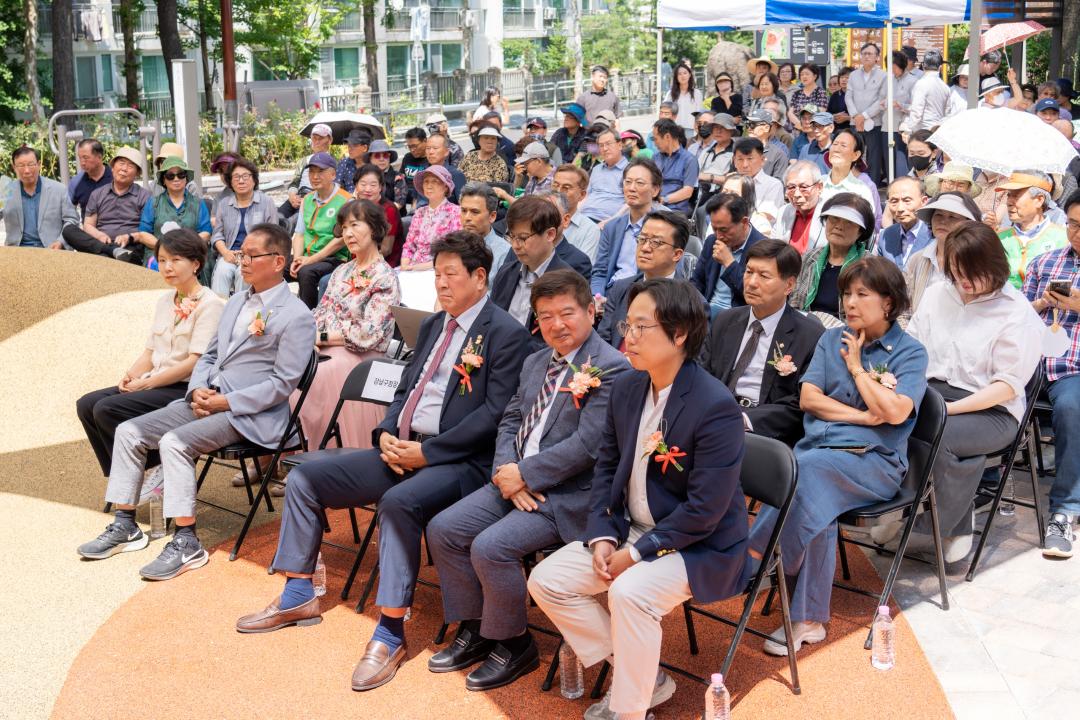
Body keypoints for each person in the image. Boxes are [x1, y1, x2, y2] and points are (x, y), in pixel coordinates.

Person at [235, 231, 532, 692]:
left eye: (451, 274)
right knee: (306, 477)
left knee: (398, 504)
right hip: (401, 450)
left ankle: (390, 632)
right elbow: (403, 389)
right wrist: (387, 433)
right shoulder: (432, 326)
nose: (441, 283)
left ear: (479, 277)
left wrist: (428, 452)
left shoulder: (506, 334)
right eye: (437, 274)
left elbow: (495, 415)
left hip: (460, 464)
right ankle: (298, 594)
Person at [529, 279, 748, 720]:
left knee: (629, 592)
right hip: (633, 526)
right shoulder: (628, 387)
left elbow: (705, 511)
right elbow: (606, 470)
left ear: (679, 334)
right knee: (546, 580)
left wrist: (634, 554)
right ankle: (648, 678)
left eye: (641, 327)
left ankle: (629, 709)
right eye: (626, 325)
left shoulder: (714, 405)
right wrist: (602, 537)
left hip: (698, 544)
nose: (627, 336)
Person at [425, 270, 629, 691]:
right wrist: (506, 470)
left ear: (590, 311)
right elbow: (512, 418)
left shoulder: (612, 368)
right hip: (513, 480)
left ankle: (515, 643)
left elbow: (588, 445)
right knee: (444, 529)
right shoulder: (536, 360)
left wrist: (525, 474)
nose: (557, 324)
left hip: (566, 494)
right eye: (546, 316)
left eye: (567, 313)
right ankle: (479, 627)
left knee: (491, 547)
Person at [76, 223, 315, 578]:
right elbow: (210, 356)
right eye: (241, 254)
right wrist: (197, 390)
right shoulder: (236, 301)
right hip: (206, 400)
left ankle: (187, 541)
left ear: (278, 261)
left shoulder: (297, 315)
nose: (242, 261)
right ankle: (126, 523)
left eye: (251, 255)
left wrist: (226, 402)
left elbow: (282, 385)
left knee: (174, 442)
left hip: (250, 414)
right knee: (127, 431)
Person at [748, 256, 928, 655]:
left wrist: (858, 368)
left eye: (862, 294)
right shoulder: (831, 339)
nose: (849, 302)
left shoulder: (910, 352)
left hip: (875, 462)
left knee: (803, 472)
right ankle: (808, 620)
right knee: (817, 500)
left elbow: (895, 412)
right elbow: (809, 399)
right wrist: (862, 415)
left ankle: (754, 556)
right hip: (819, 455)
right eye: (846, 293)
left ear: (888, 302)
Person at [885, 222, 1043, 563]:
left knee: (935, 432)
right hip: (932, 393)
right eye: (956, 272)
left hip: (992, 410)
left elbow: (1006, 386)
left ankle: (939, 523)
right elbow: (912, 346)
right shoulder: (938, 294)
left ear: (994, 266)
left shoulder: (1016, 312)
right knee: (887, 420)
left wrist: (947, 410)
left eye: (973, 273)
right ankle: (905, 508)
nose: (964, 281)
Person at [76, 229, 225, 483]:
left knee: (106, 409)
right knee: (87, 404)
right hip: (155, 380)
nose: (168, 267)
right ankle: (126, 474)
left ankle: (154, 467)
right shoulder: (165, 301)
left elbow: (195, 362)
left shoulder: (210, 304)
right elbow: (150, 351)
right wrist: (130, 376)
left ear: (196, 264)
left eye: (176, 260)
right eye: (163, 260)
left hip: (183, 388)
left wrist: (146, 384)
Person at [703, 239, 824, 445]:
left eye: (764, 276)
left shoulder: (810, 335)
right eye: (749, 272)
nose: (751, 282)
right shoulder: (725, 321)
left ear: (789, 285)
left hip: (762, 432)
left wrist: (744, 420)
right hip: (713, 416)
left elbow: (798, 403)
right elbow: (702, 373)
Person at [301, 199, 401, 450]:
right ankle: (290, 449)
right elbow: (321, 312)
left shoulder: (385, 276)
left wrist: (322, 338)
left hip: (362, 356)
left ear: (374, 229)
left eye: (355, 225)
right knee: (293, 363)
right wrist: (309, 335)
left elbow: (370, 333)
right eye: (344, 227)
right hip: (330, 348)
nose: (347, 233)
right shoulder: (341, 271)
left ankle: (320, 453)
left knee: (317, 373)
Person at [1023, 190, 1080, 557]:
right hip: (1033, 362)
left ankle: (1065, 509)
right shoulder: (1045, 262)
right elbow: (1016, 315)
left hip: (1073, 368)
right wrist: (1043, 302)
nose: (1077, 233)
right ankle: (984, 484)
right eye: (1072, 224)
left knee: (1072, 406)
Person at [598, 209, 693, 349]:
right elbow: (603, 342)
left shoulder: (691, 302)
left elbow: (692, 356)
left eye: (656, 242)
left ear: (677, 254)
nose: (645, 248)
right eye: (642, 239)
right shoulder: (620, 288)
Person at [491, 195, 575, 341]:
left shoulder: (568, 282)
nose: (515, 245)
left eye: (523, 238)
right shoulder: (506, 273)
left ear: (550, 234)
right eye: (512, 236)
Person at [791, 193, 875, 322]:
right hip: (806, 327)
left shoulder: (870, 266)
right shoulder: (809, 258)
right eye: (834, 218)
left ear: (861, 231)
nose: (839, 226)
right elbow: (795, 302)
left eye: (849, 222)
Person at [59, 146, 152, 263]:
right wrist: (100, 236)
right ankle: (111, 251)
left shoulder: (145, 196)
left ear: (137, 173)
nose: (124, 169)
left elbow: (146, 231)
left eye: (130, 166)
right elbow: (88, 225)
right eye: (121, 163)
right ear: (112, 167)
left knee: (129, 254)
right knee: (68, 230)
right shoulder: (98, 194)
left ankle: (109, 254)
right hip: (101, 242)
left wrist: (128, 237)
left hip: (130, 246)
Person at [286, 152, 353, 308]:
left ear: (333, 174)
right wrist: (297, 259)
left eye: (320, 171)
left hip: (334, 258)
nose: (315, 176)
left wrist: (310, 260)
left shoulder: (346, 201)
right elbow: (299, 234)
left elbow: (341, 240)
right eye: (311, 172)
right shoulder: (307, 199)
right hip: (307, 255)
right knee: (274, 264)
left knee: (306, 272)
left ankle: (310, 316)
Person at [902, 191, 983, 315]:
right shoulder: (917, 259)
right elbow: (903, 305)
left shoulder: (977, 262)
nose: (943, 221)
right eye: (938, 215)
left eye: (952, 217)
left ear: (968, 223)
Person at [592, 158, 662, 295]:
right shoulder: (612, 227)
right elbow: (600, 272)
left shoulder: (664, 228)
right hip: (611, 293)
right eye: (628, 182)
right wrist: (597, 296)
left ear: (655, 190)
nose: (631, 188)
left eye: (639, 183)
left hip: (644, 293)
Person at [210, 157, 280, 296]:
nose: (241, 181)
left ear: (254, 180)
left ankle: (243, 308)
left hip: (255, 255)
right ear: (230, 182)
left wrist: (251, 254)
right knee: (221, 273)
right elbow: (217, 235)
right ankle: (219, 308)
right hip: (230, 253)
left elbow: (273, 235)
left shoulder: (266, 202)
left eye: (245, 176)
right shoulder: (224, 204)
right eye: (236, 177)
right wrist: (225, 253)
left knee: (243, 275)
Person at [693, 192, 766, 316]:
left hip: (738, 316)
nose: (719, 236)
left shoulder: (763, 248)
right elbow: (696, 281)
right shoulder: (712, 241)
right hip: (705, 310)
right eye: (714, 229)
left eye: (724, 230)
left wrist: (729, 263)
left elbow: (755, 294)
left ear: (744, 222)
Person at [995, 170, 1068, 289]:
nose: (1009, 202)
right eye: (1009, 195)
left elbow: (1062, 289)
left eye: (1016, 195)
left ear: (1039, 200)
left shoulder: (1063, 239)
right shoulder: (999, 238)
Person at [3, 147, 79, 248]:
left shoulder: (59, 189)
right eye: (21, 166)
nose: (26, 170)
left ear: (39, 164)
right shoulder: (5, 191)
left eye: (31, 164)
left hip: (51, 249)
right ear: (14, 167)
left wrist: (60, 242)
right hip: (17, 250)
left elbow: (72, 220)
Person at [135, 157, 212, 255]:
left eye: (181, 175)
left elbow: (206, 233)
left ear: (186, 178)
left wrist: (186, 248)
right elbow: (143, 234)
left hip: (192, 254)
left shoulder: (199, 203)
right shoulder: (153, 203)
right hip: (160, 255)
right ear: (163, 180)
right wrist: (166, 248)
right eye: (170, 176)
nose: (176, 179)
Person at [402, 164, 462, 272]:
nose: (429, 186)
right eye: (426, 182)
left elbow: (454, 250)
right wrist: (404, 265)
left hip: (440, 269)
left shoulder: (456, 212)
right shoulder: (419, 212)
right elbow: (409, 246)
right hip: (412, 267)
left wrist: (418, 267)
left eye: (435, 181)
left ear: (445, 186)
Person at [817, 128, 878, 227]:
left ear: (856, 155)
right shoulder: (817, 183)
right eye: (835, 144)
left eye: (843, 145)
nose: (836, 149)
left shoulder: (862, 190)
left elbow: (867, 227)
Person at [846, 42, 888, 186]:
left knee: (873, 157)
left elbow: (882, 100)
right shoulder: (853, 75)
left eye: (870, 54)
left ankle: (872, 185)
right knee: (853, 153)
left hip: (874, 122)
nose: (866, 56)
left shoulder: (884, 75)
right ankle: (852, 184)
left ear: (877, 57)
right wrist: (855, 115)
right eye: (864, 53)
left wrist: (864, 116)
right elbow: (848, 96)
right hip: (855, 122)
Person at [354, 163, 405, 267]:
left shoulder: (388, 210)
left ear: (380, 187)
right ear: (356, 186)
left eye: (373, 185)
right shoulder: (354, 207)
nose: (367, 189)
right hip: (357, 262)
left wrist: (361, 265)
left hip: (383, 265)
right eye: (363, 184)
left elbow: (386, 249)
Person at [536, 190, 595, 279]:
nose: (541, 219)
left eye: (549, 213)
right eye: (536, 213)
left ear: (566, 220)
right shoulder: (521, 249)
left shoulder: (578, 261)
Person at [281, 123, 332, 221]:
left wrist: (308, 199)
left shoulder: (332, 163)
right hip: (297, 197)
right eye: (314, 138)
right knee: (277, 217)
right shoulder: (304, 161)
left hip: (315, 200)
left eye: (320, 138)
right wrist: (292, 196)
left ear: (330, 140)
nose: (316, 141)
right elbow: (295, 182)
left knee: (293, 222)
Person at [877, 176, 930, 268]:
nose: (900, 208)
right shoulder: (885, 236)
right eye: (894, 201)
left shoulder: (935, 236)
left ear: (924, 201)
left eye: (907, 201)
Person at [459, 183, 511, 277]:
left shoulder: (505, 253)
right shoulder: (453, 245)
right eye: (464, 211)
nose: (467, 217)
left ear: (492, 216)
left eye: (475, 212)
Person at [552, 164, 601, 262]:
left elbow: (583, 267)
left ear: (582, 195)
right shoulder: (536, 217)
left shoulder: (590, 230)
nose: (558, 191)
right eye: (555, 185)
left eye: (566, 188)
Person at [773, 161, 825, 253]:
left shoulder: (829, 216)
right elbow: (774, 248)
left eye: (804, 187)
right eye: (791, 187)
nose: (797, 194)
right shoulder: (783, 212)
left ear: (819, 187)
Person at [580, 128, 630, 223]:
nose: (605, 149)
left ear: (619, 145)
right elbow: (586, 196)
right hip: (584, 217)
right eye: (601, 145)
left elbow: (631, 204)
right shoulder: (596, 169)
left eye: (608, 144)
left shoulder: (631, 170)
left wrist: (608, 223)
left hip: (608, 221)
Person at [731, 137, 786, 223]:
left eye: (750, 159)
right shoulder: (730, 183)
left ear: (762, 160)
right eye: (740, 159)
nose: (745, 165)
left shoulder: (774, 185)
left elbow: (767, 216)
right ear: (734, 161)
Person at [650, 119, 697, 214]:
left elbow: (687, 192)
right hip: (653, 204)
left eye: (656, 139)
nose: (654, 143)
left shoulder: (689, 160)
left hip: (675, 209)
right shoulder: (655, 157)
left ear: (667, 137)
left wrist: (664, 200)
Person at [900, 50, 951, 138]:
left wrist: (908, 130)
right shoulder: (945, 87)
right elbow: (948, 113)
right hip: (938, 132)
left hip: (922, 132)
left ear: (923, 66)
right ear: (940, 67)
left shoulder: (921, 84)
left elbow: (917, 112)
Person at [885, 51, 918, 177]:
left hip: (905, 127)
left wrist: (901, 106)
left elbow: (916, 107)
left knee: (902, 160)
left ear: (902, 65)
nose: (892, 71)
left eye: (894, 67)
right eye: (889, 68)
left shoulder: (913, 81)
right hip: (889, 125)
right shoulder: (889, 80)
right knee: (890, 161)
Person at [696, 113, 738, 203]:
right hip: (699, 194)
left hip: (722, 198)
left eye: (723, 127)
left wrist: (709, 177)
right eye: (715, 127)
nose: (718, 131)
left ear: (731, 131)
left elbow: (735, 180)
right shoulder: (706, 151)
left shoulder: (736, 153)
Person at [419, 133, 467, 206]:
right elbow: (418, 201)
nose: (430, 152)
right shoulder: (422, 173)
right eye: (428, 148)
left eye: (435, 148)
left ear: (446, 152)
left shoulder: (455, 174)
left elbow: (463, 204)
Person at [68, 138, 113, 217]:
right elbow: (68, 211)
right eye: (80, 158)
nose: (82, 163)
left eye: (86, 158)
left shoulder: (115, 177)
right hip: (87, 224)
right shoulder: (76, 182)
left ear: (99, 157)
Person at [744, 109, 790, 180]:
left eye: (753, 125)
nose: (749, 128)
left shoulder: (778, 155)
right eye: (747, 124)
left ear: (766, 128)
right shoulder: (740, 149)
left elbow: (778, 183)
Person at [787, 64, 829, 129]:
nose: (804, 76)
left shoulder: (820, 92)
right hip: (797, 129)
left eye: (807, 74)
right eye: (802, 74)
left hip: (814, 129)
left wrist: (804, 109)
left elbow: (821, 111)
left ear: (815, 76)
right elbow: (790, 113)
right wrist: (800, 125)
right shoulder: (796, 93)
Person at [666, 61, 704, 133]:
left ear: (689, 75)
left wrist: (697, 128)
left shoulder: (697, 93)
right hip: (674, 129)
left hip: (691, 130)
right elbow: (666, 111)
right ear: (676, 77)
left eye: (685, 73)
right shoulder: (670, 94)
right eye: (679, 74)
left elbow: (699, 113)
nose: (682, 76)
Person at [400, 127, 430, 209]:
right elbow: (401, 176)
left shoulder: (431, 159)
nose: (412, 150)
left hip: (424, 196)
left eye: (415, 146)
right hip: (406, 194)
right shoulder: (407, 157)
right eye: (409, 147)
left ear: (425, 141)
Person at [334, 129, 372, 194]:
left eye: (354, 145)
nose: (350, 149)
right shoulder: (344, 163)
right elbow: (336, 186)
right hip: (348, 199)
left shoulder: (373, 163)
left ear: (365, 148)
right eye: (349, 145)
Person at [798, 111, 835, 175]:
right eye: (814, 126)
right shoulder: (806, 149)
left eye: (820, 126)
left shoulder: (838, 150)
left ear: (831, 128)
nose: (816, 130)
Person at [552, 103, 589, 167]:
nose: (566, 119)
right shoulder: (559, 132)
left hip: (574, 170)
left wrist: (566, 171)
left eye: (570, 117)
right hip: (556, 168)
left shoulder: (586, 136)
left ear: (578, 122)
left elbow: (580, 156)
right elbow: (550, 150)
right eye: (566, 116)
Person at [827, 66, 854, 131]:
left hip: (853, 131)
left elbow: (864, 116)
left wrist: (847, 118)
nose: (843, 80)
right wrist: (834, 116)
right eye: (841, 77)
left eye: (847, 77)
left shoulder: (858, 95)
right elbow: (828, 112)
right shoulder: (835, 95)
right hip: (836, 130)